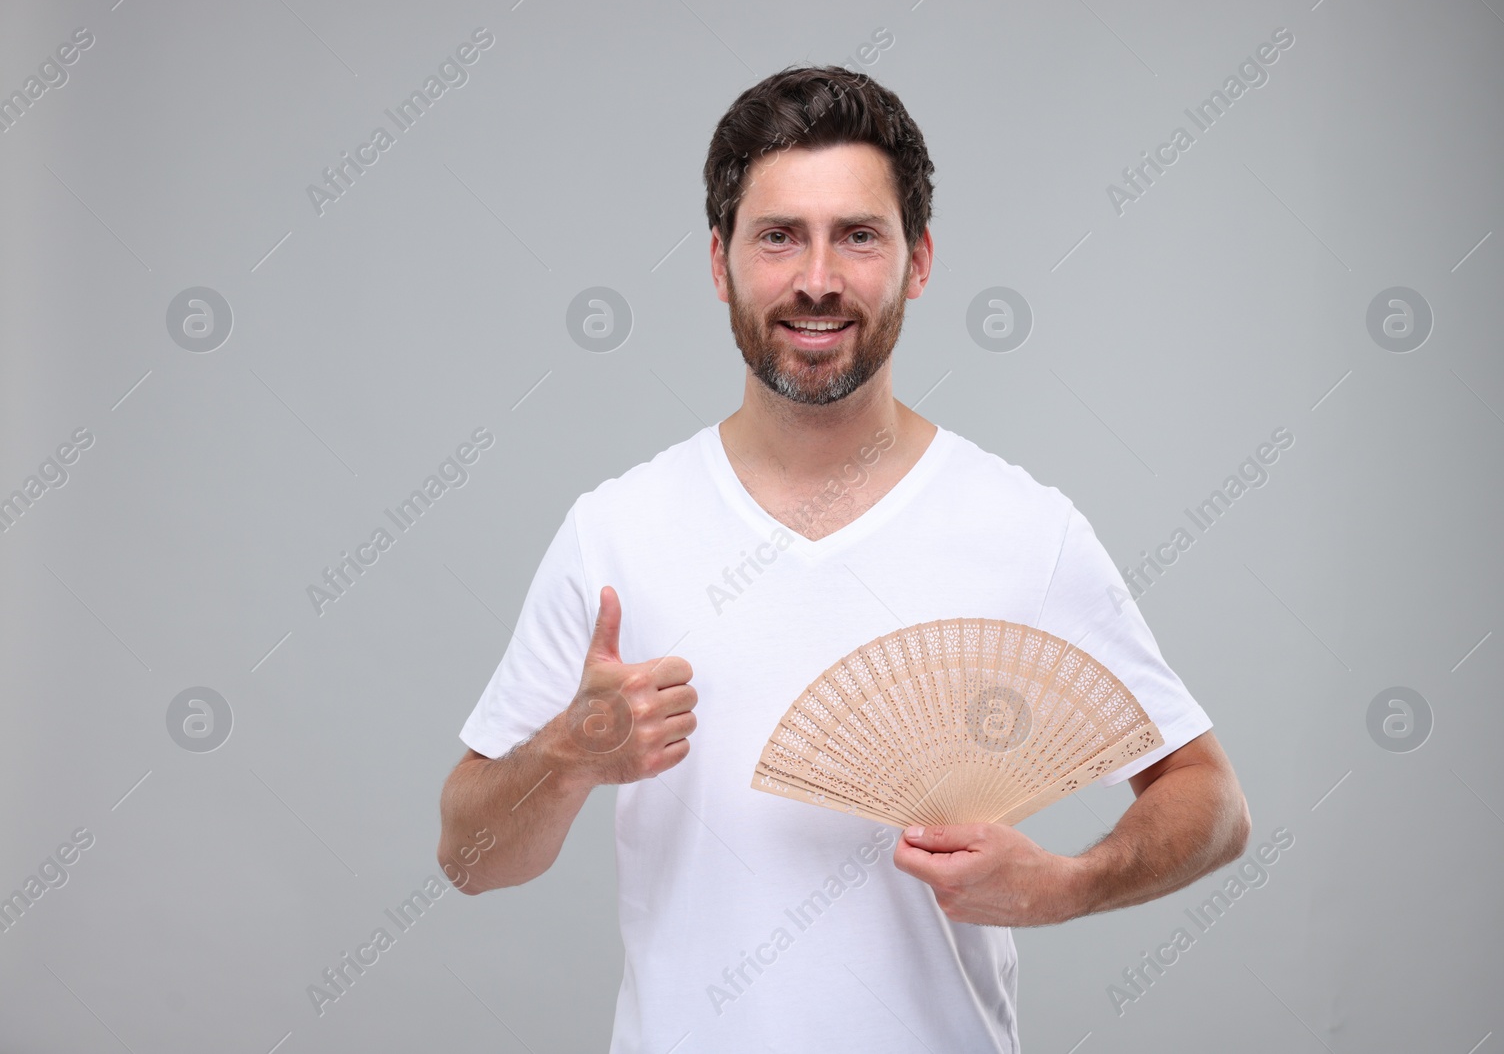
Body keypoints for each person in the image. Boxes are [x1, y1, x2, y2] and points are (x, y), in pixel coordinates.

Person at [436, 64, 1250, 1053]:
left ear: (917, 262)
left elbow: (1211, 801)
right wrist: (567, 754)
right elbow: (469, 855)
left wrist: (1069, 884)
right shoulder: (617, 529)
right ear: (717, 261)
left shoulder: (1023, 528)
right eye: (778, 235)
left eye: (857, 235)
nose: (817, 278)